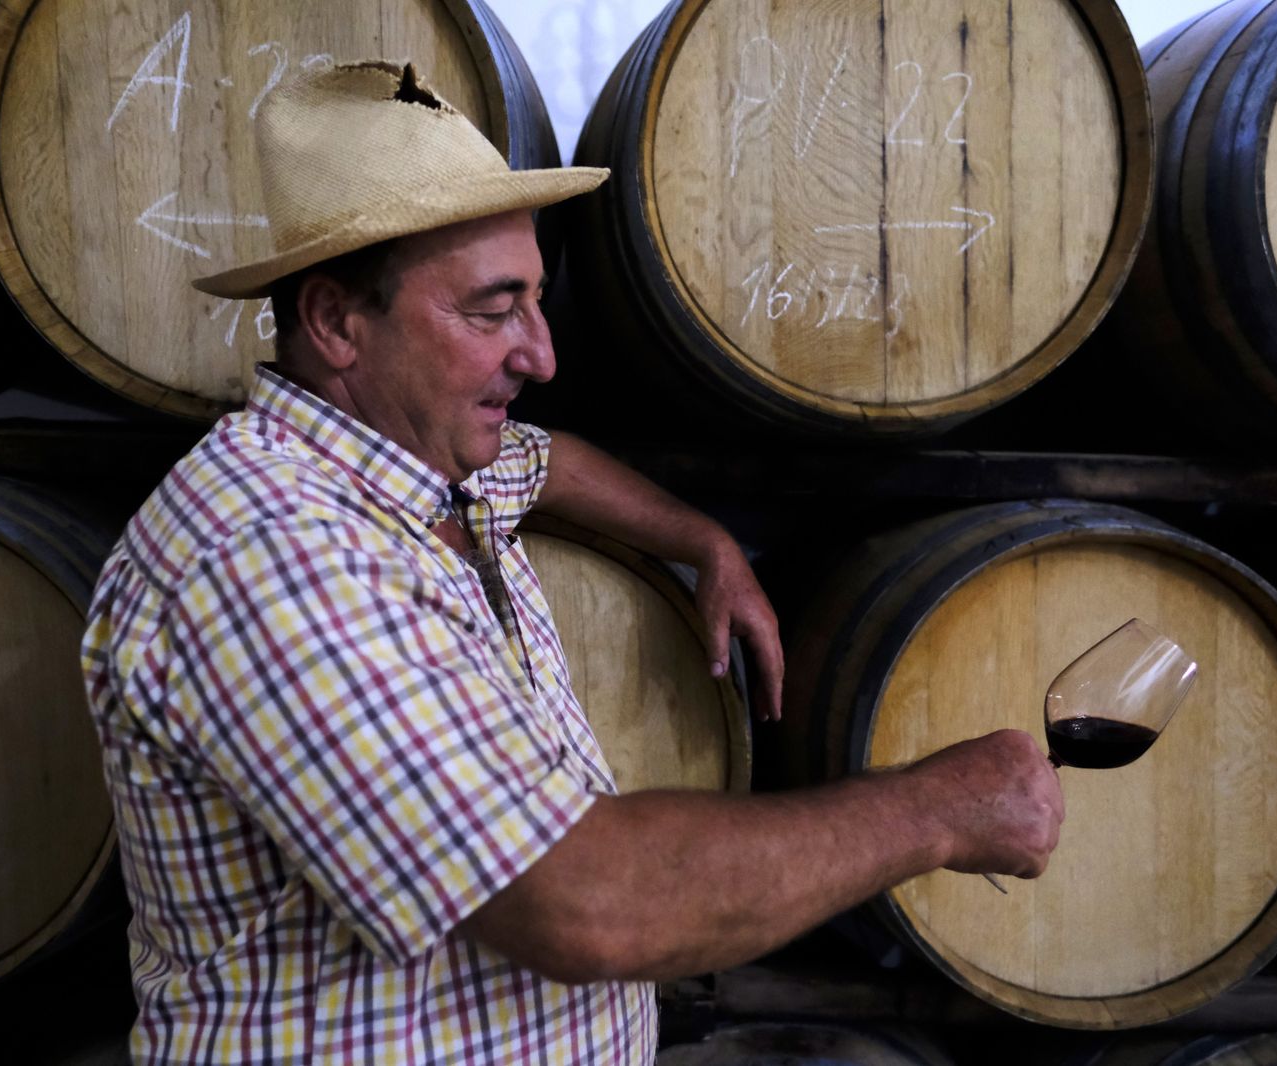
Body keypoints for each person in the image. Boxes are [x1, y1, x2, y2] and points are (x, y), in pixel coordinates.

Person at [81, 60, 1064, 1065]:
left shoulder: (418, 462)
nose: (541, 354)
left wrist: (703, 541)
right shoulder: (272, 555)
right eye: (492, 309)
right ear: (336, 322)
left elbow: (544, 463)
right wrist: (940, 809)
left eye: (537, 303)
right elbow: (582, 907)